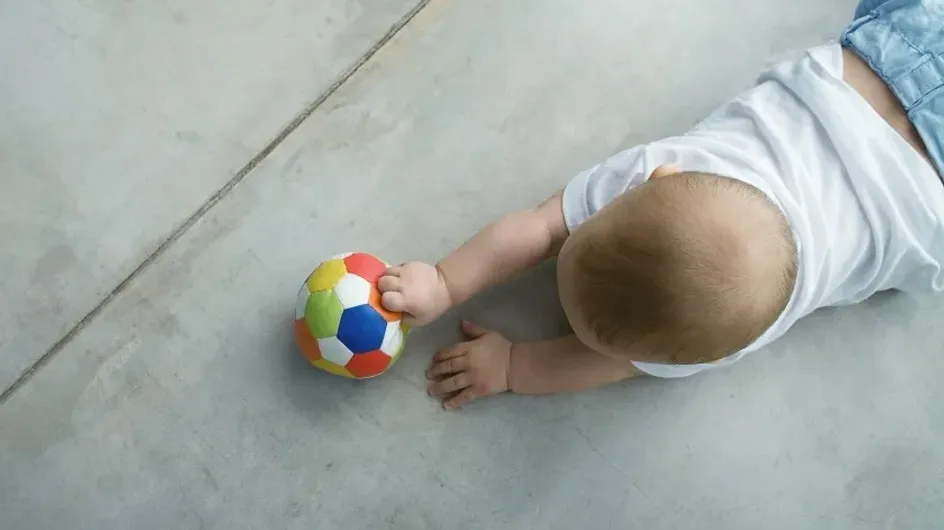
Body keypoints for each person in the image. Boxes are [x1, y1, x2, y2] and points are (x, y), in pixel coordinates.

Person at [378, 0, 944, 409]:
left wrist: (510, 364)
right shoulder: (653, 177)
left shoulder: (723, 334)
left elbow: (607, 356)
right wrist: (442, 282)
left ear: (653, 179)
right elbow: (541, 229)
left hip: (923, 178)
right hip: (881, 65)